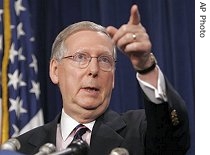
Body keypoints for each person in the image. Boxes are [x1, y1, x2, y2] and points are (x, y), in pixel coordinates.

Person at [16, 4, 190, 155]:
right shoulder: (22, 148)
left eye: (104, 60)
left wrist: (146, 66)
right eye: (80, 57)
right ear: (55, 70)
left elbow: (171, 135)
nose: (93, 70)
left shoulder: (140, 131)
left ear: (113, 77)